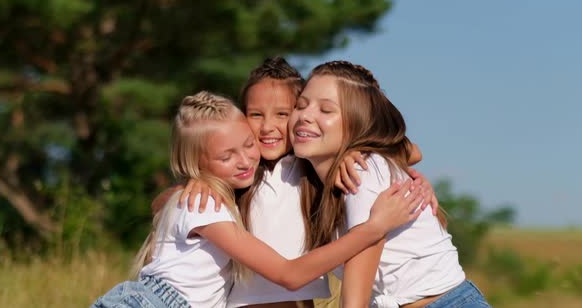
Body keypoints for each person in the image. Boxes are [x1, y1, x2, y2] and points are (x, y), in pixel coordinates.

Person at [91, 91, 426, 308]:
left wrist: (351, 150)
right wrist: (372, 228)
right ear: (198, 163)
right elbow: (289, 275)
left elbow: (410, 150)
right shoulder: (202, 202)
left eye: (248, 145)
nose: (244, 160)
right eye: (226, 156)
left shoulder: (242, 184)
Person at [289, 60, 491, 308]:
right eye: (300, 105)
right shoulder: (328, 185)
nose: (305, 116)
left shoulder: (363, 172)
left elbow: (355, 300)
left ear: (357, 124)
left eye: (326, 110)